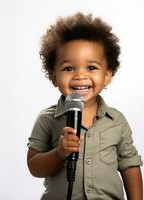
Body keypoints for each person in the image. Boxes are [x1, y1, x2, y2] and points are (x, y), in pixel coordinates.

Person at [27, 12, 143, 200]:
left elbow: (129, 165)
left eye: (91, 67)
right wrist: (58, 153)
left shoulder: (117, 121)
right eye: (69, 68)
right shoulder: (47, 119)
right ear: (54, 76)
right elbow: (34, 165)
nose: (80, 76)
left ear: (107, 75)